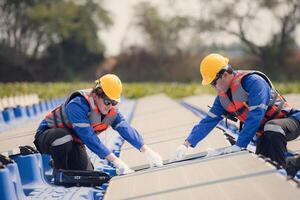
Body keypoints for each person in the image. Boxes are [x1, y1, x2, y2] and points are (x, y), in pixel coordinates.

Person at [171, 53, 300, 169]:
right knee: (265, 166)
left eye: (214, 83)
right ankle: (291, 165)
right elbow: (207, 122)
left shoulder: (254, 82)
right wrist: (187, 144)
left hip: (290, 121)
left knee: (272, 131)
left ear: (225, 75)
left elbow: (256, 115)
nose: (214, 87)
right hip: (265, 133)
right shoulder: (222, 99)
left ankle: (283, 170)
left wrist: (239, 145)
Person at [34, 74, 163, 175]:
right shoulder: (77, 105)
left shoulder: (110, 111)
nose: (110, 106)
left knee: (85, 174)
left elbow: (125, 128)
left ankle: (63, 163)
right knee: (63, 138)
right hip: (48, 137)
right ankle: (59, 170)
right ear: (96, 95)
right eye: (107, 102)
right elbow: (88, 137)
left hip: (73, 142)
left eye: (114, 103)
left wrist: (146, 150)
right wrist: (115, 160)